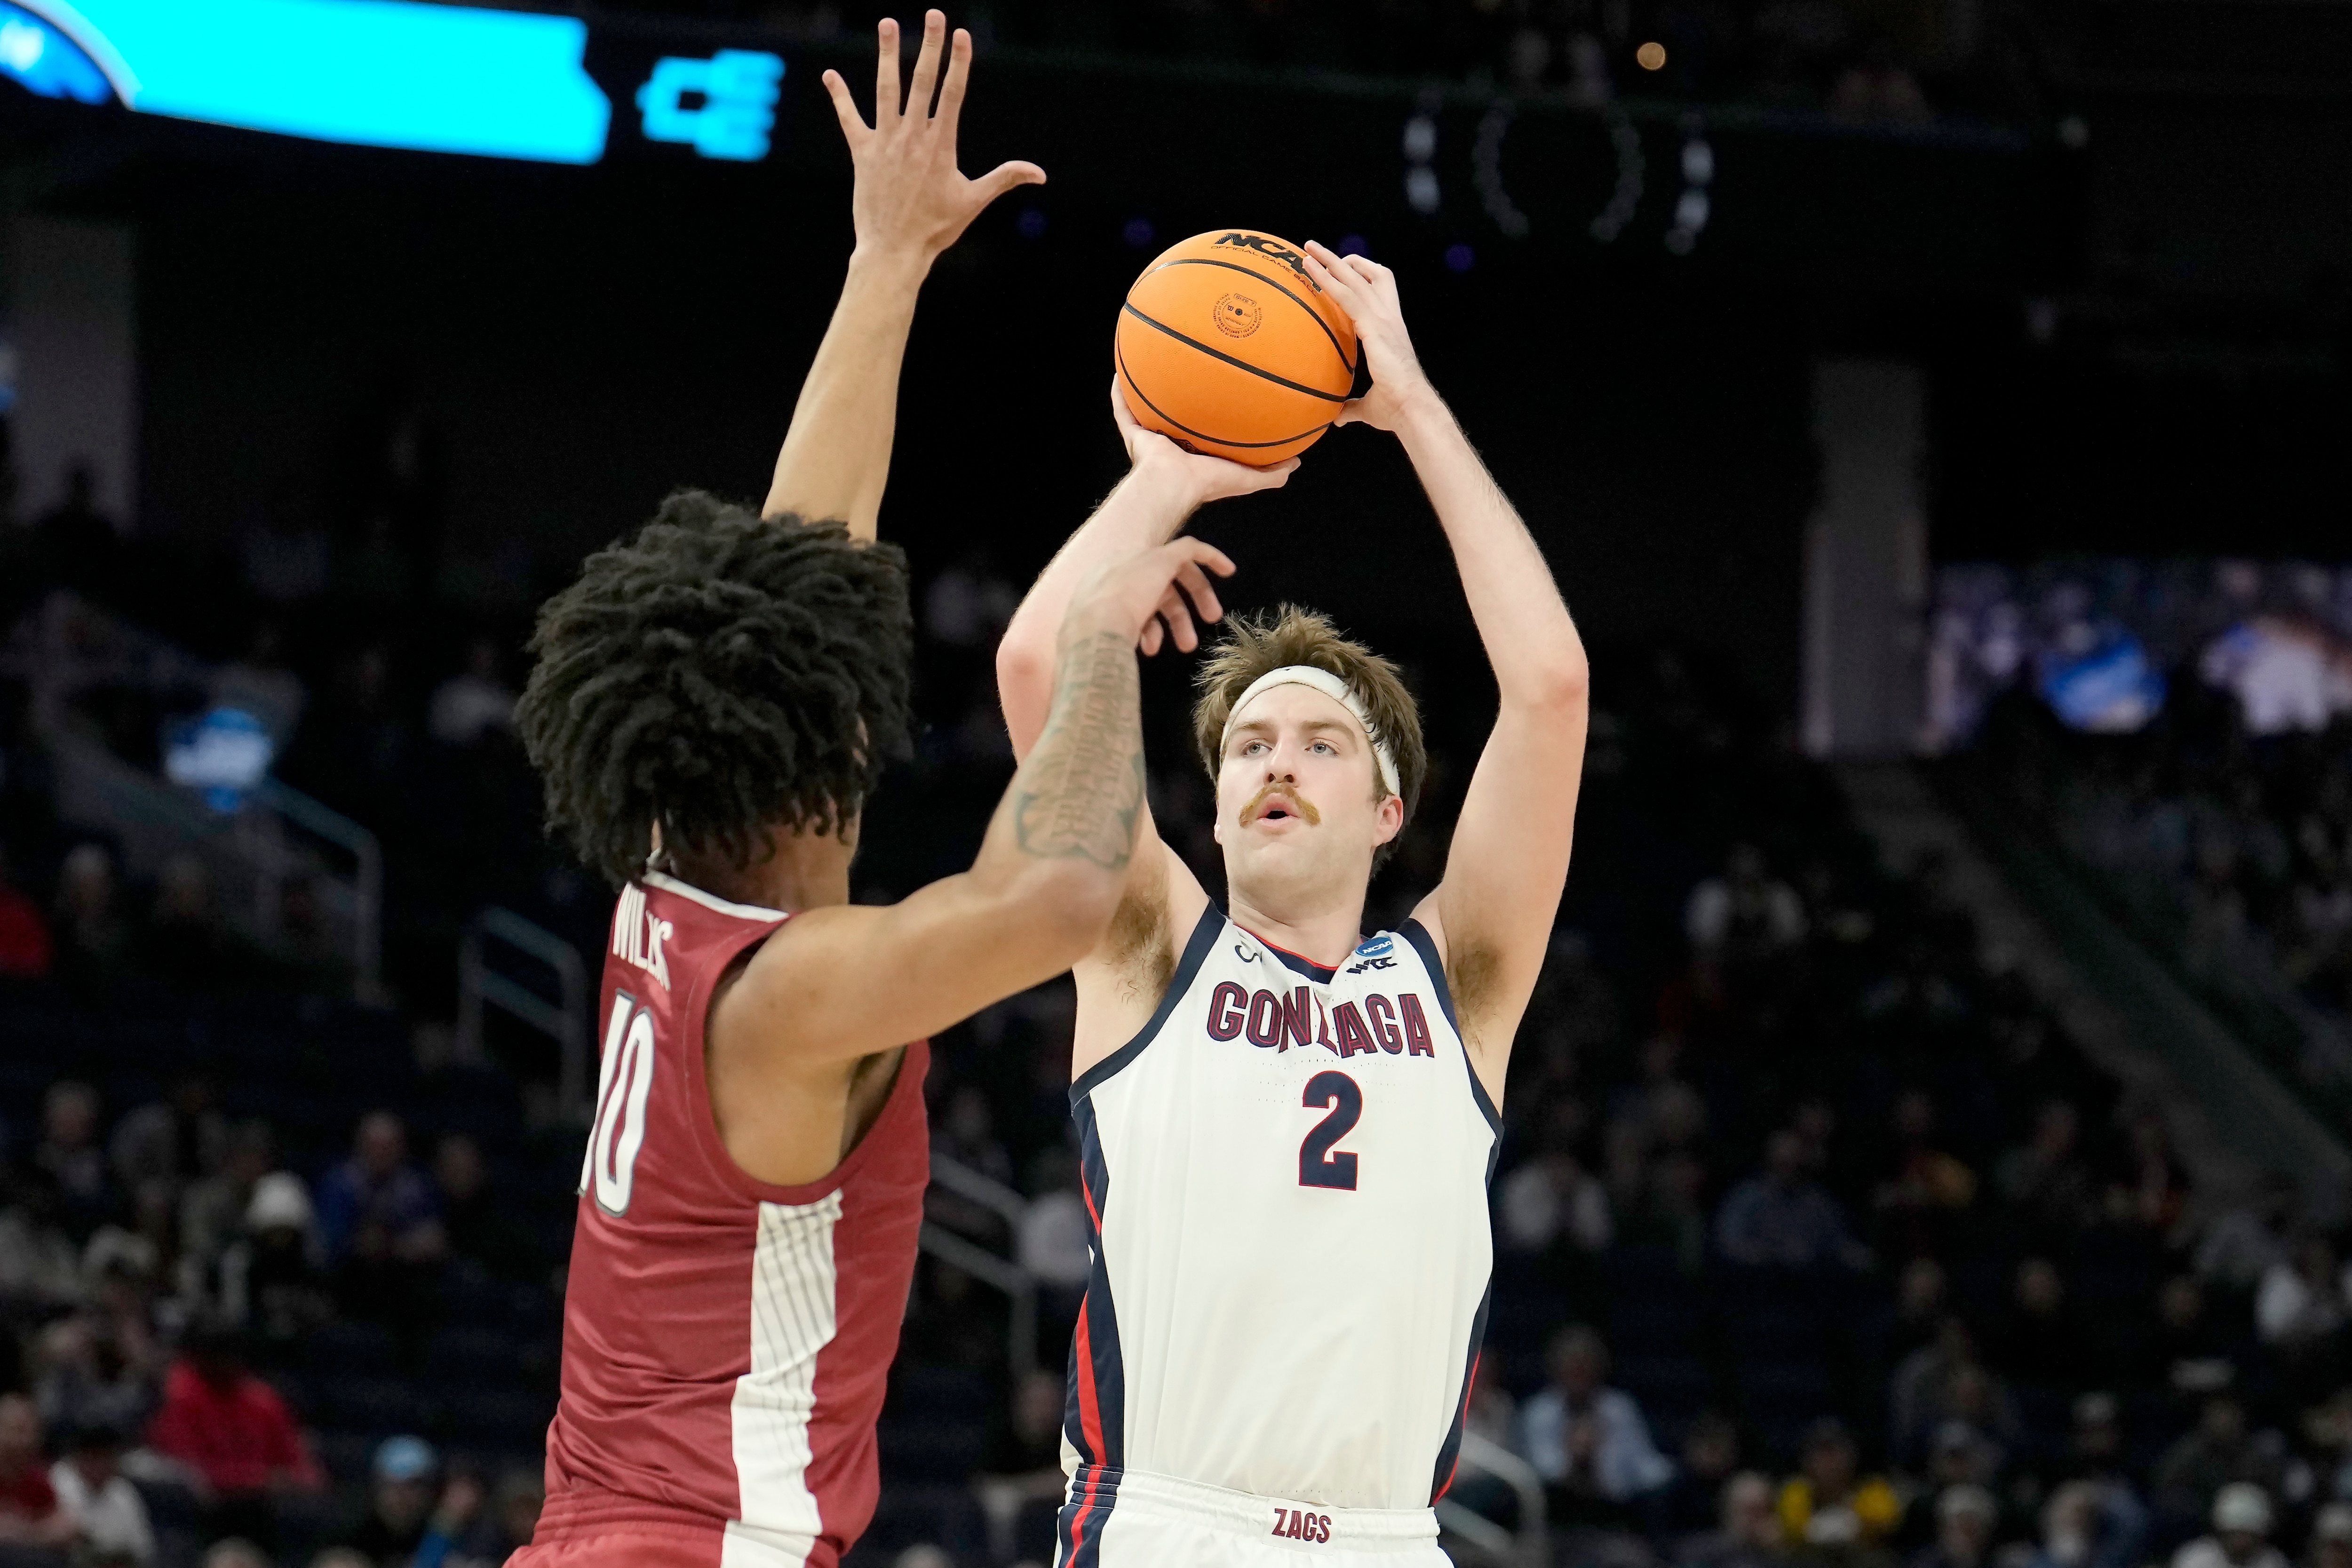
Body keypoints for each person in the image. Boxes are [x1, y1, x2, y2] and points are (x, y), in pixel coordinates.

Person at [507, 16, 1230, 1568]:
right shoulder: (788, 992)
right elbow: (1050, 896)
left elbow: (798, 559)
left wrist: (887, 262)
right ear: (827, 755)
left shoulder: (669, 880)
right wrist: (1098, 632)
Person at [994, 239, 1590, 1562]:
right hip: (1171, 1523)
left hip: (1389, 1538)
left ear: (1389, 812)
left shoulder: (1461, 983)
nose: (1276, 760)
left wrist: (1414, 406)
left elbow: (1550, 688)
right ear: (1209, 809)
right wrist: (1165, 478)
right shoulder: (1151, 945)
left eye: (1321, 745)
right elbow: (1040, 659)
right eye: (1251, 745)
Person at [1517, 1327, 1674, 1523]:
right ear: (1557, 1370)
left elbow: (1644, 1464)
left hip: (1618, 1507)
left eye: (1585, 1368)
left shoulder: (1619, 1407)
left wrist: (1675, 1476)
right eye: (1573, 1369)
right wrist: (1576, 1457)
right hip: (1558, 1507)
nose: (1579, 1375)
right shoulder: (1540, 1412)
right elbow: (1544, 1471)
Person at [48, 1419, 155, 1566]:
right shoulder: (58, 1481)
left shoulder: (123, 1492)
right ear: (77, 1456)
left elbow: (142, 1551)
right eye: (93, 1456)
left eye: (106, 1456)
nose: (100, 1465)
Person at [0, 1393, 77, 1550]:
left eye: (32, 1431)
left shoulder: (35, 1478)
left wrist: (25, 1533)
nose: (25, 1440)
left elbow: (67, 1526)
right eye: (17, 1430)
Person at [2172, 1485, 2288, 1568]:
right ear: (2221, 1532)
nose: (2242, 1543)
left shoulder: (2274, 1563)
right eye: (2235, 1534)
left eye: (2249, 1536)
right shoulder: (2194, 1559)